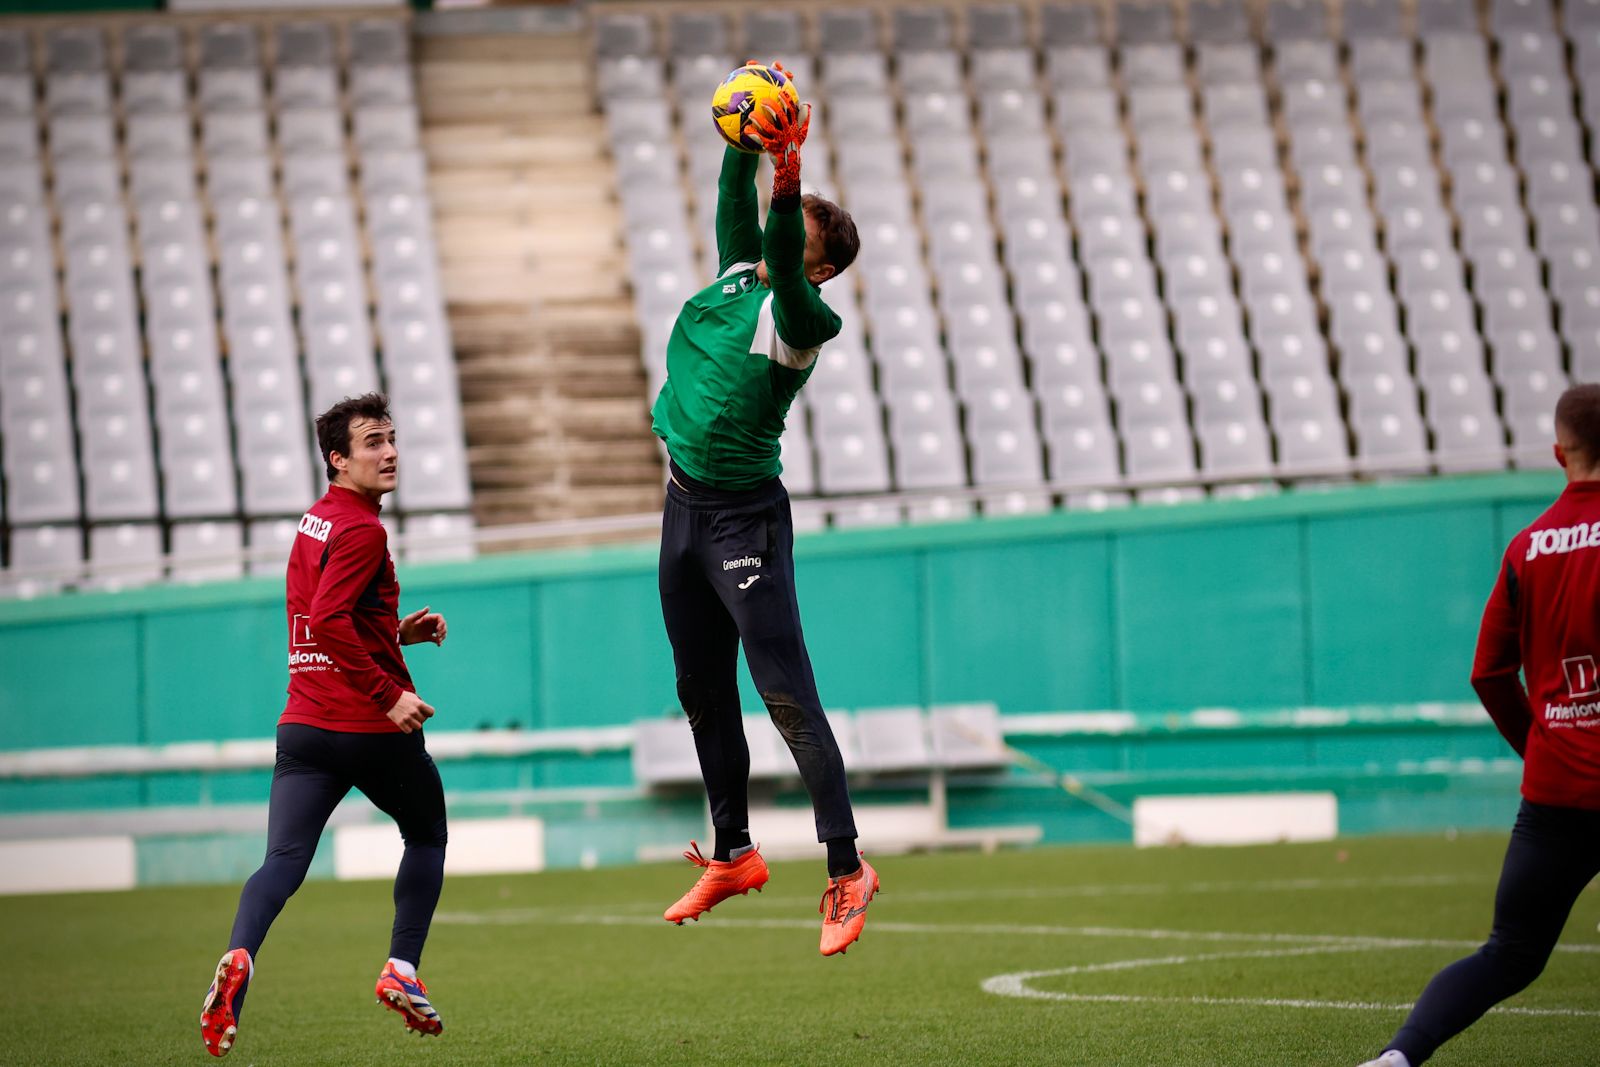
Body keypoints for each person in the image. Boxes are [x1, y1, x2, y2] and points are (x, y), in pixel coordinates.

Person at [650, 63, 876, 956]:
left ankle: (846, 868)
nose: (791, 216)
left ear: (818, 265)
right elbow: (735, 205)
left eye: (803, 223)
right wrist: (749, 149)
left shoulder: (802, 315)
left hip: (745, 521)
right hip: (682, 511)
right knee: (701, 690)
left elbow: (780, 246)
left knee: (785, 692)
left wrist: (788, 175)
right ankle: (736, 852)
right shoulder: (742, 269)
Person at [199, 393, 451, 1057]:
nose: (390, 451)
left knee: (281, 861)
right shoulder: (366, 529)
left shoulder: (316, 520)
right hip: (365, 724)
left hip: (303, 726)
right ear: (338, 459)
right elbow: (331, 619)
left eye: (392, 438)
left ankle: (239, 959)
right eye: (372, 442)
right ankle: (402, 966)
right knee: (427, 834)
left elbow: (328, 617)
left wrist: (397, 633)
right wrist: (389, 692)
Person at [1357, 384, 1600, 1067]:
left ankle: (1399, 1057)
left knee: (1509, 953)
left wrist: (1541, 745)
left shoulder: (1526, 548)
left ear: (1558, 453)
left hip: (1556, 795)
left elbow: (1489, 673)